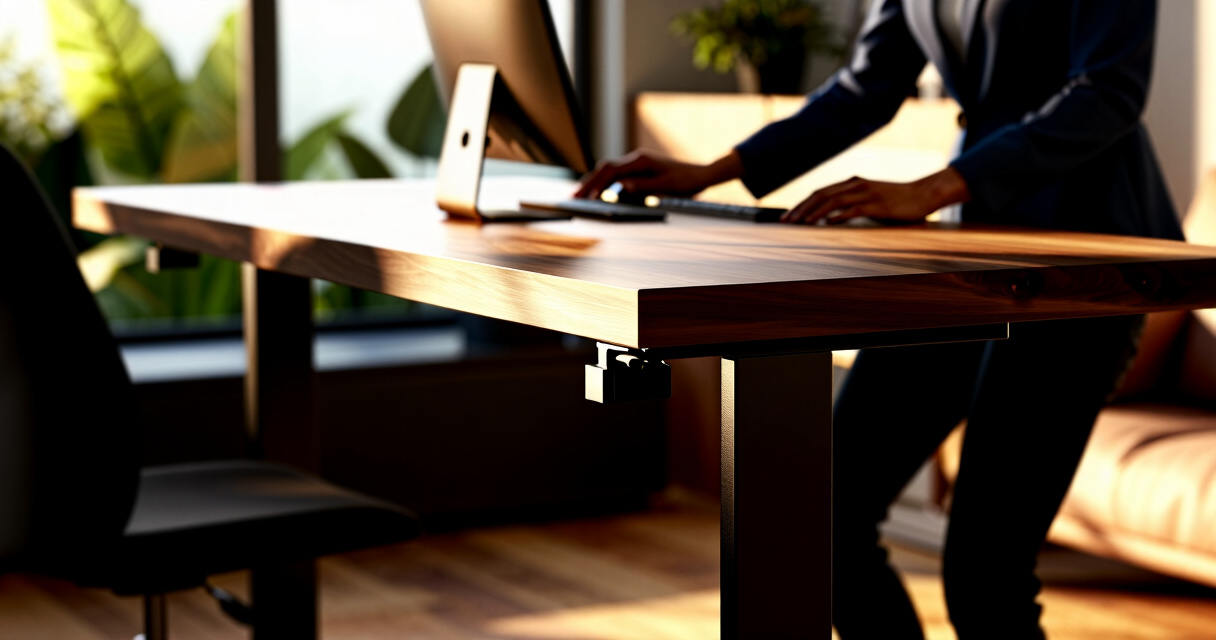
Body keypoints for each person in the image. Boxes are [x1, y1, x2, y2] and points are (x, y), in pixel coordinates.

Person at [577, 0, 1182, 638]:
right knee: (822, 512)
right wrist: (713, 172)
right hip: (974, 251)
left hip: (1087, 262)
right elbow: (865, 88)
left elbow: (1108, 92)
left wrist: (933, 187)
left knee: (984, 575)